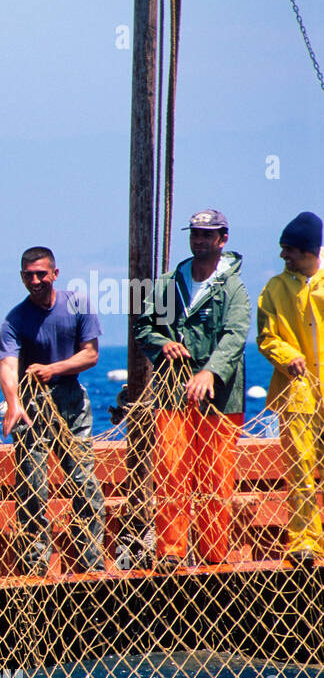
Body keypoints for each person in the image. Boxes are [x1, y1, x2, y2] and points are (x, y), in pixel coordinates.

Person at [136, 211, 250, 571]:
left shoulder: (233, 287)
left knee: (216, 476)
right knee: (172, 471)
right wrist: (161, 344)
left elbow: (235, 335)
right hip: (172, 394)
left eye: (207, 234)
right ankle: (171, 552)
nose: (199, 240)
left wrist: (210, 373)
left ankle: (214, 556)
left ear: (223, 239)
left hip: (220, 399)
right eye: (195, 234)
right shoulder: (170, 283)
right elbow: (144, 326)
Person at [0, 246, 106, 575]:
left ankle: (92, 564)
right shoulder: (14, 319)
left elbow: (90, 355)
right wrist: (13, 403)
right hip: (31, 405)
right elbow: (7, 365)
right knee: (32, 486)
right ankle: (35, 566)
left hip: (71, 401)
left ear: (55, 274)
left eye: (41, 274)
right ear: (21, 277)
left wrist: (54, 369)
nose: (35, 280)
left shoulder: (77, 303)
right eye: (29, 275)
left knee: (83, 482)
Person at [257, 210, 324, 568]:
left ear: (311, 251)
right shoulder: (274, 289)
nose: (284, 256)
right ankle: (304, 542)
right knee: (300, 469)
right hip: (296, 393)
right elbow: (266, 337)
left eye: (291, 251)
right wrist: (287, 355)